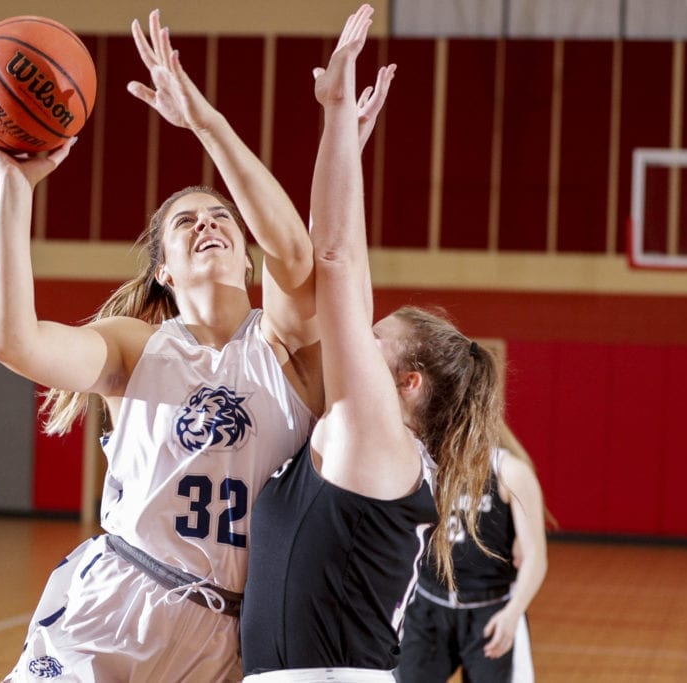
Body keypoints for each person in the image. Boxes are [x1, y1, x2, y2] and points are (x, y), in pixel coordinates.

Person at [0, 9, 322, 681]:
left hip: (228, 632)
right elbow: (15, 342)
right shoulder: (138, 347)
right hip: (116, 598)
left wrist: (208, 125)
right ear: (164, 268)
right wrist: (15, 191)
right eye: (185, 221)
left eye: (221, 216)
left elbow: (295, 250)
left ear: (247, 255)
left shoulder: (290, 351)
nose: (207, 223)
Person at [240, 6, 503, 680]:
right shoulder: (372, 434)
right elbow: (346, 268)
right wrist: (348, 151)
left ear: (409, 381)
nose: (360, 329)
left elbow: (332, 260)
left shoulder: (378, 436)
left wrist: (332, 118)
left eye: (377, 336)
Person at [394, 422, 551, 683]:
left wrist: (512, 614)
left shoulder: (509, 472)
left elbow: (536, 558)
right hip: (428, 605)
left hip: (491, 613)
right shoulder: (423, 462)